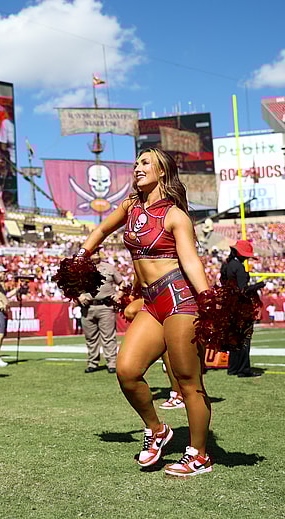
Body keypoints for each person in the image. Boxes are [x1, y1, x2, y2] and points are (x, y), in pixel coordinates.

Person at [77, 148, 213, 477]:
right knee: (126, 370)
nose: (137, 167)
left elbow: (191, 261)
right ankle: (157, 429)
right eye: (136, 162)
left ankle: (199, 454)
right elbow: (100, 231)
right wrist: (81, 256)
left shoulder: (176, 215)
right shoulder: (130, 206)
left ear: (162, 172)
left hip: (181, 298)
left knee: (186, 380)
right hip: (152, 302)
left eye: (145, 163)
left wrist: (208, 299)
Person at [77, 250, 124, 374]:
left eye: (98, 250)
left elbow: (122, 283)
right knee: (90, 338)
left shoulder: (109, 268)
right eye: (93, 250)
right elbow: (71, 286)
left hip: (106, 306)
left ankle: (112, 363)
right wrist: (79, 295)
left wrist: (119, 295)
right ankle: (93, 363)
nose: (96, 252)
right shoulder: (80, 269)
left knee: (108, 337)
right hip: (88, 307)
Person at [221, 240, 262, 378]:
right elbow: (243, 290)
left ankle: (233, 368)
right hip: (240, 307)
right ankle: (243, 369)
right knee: (244, 338)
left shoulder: (226, 266)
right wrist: (258, 286)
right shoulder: (238, 268)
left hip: (230, 306)